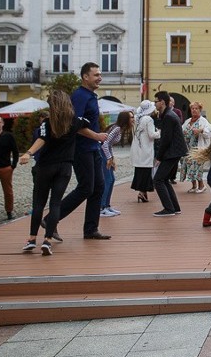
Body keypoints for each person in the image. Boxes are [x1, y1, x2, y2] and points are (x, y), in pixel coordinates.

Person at [18, 90, 106, 255]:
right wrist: (97, 136)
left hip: (45, 167)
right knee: (55, 203)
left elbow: (41, 139)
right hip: (64, 168)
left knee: (38, 204)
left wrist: (28, 153)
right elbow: (85, 127)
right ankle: (48, 240)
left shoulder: (47, 123)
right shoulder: (74, 122)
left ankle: (31, 239)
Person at [56, 62, 112, 240]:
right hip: (82, 149)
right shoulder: (79, 96)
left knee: (99, 187)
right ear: (85, 77)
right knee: (86, 188)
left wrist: (96, 140)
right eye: (96, 75)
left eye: (100, 74)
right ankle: (51, 219)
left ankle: (90, 229)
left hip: (93, 148)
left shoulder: (90, 96)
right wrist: (96, 136)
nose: (100, 78)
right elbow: (74, 124)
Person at [152, 90, 188, 216]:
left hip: (172, 152)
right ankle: (175, 207)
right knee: (165, 179)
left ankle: (169, 209)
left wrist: (159, 157)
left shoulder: (168, 117)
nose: (155, 104)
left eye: (156, 101)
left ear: (162, 102)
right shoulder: (170, 114)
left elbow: (165, 140)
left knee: (158, 180)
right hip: (175, 151)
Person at [100, 110, 133, 217]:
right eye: (131, 117)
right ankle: (101, 207)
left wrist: (112, 158)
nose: (133, 119)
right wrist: (109, 158)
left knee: (112, 179)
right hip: (103, 154)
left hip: (106, 154)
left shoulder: (118, 128)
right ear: (125, 119)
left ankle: (107, 205)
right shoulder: (117, 128)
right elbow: (104, 144)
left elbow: (108, 145)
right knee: (108, 180)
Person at [130, 101, 159, 203]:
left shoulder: (139, 118)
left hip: (138, 149)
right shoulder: (149, 119)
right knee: (146, 172)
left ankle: (142, 193)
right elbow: (152, 135)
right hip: (146, 149)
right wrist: (159, 132)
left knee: (140, 171)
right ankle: (142, 192)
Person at [181, 101, 211, 193]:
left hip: (198, 149)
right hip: (188, 148)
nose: (194, 110)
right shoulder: (188, 121)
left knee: (197, 167)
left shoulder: (203, 121)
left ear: (200, 110)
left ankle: (201, 186)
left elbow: (209, 133)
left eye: (196, 108)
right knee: (189, 167)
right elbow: (182, 131)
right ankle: (194, 186)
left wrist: (201, 130)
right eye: (192, 108)